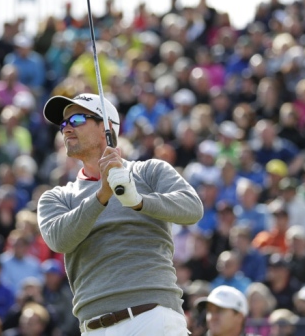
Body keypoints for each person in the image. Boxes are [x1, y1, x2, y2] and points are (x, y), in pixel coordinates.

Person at [38, 93, 203, 334]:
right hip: (94, 327)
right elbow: (59, 240)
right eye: (63, 125)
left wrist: (138, 201)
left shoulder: (149, 171)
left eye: (75, 121)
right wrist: (101, 195)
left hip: (152, 317)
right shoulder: (57, 196)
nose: (66, 130)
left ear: (106, 126)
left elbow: (192, 208)